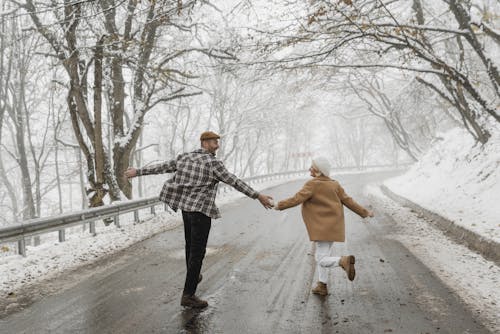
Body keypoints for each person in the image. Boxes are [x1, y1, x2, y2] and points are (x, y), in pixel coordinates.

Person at [124, 131, 274, 308]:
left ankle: (193, 275)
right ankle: (188, 295)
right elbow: (234, 181)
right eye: (213, 142)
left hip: (186, 209)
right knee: (198, 252)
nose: (217, 145)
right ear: (204, 143)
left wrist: (138, 172)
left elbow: (163, 167)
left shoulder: (185, 157)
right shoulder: (213, 163)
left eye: (217, 142)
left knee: (190, 245)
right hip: (201, 211)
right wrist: (257, 196)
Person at [273, 156, 374, 296]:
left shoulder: (312, 184)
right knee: (324, 255)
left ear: (319, 170)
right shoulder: (335, 184)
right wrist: (365, 212)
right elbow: (349, 201)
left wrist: (279, 205)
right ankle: (322, 285)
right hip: (334, 226)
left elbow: (296, 199)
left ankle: (342, 261)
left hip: (321, 228)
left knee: (321, 259)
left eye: (312, 166)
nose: (309, 168)